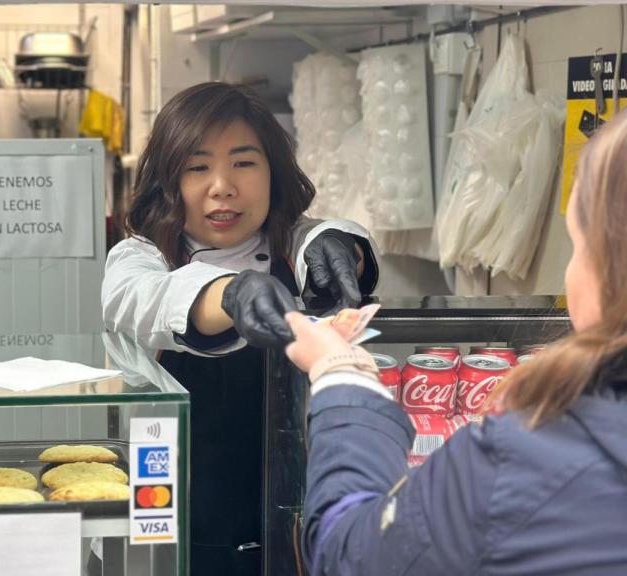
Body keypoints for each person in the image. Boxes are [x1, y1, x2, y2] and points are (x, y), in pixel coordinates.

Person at [291, 111, 627, 575]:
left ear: (610, 271)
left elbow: (351, 555)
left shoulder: (525, 461)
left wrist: (344, 377)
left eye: (579, 244)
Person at [102, 82, 378, 575]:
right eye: (198, 166)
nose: (223, 186)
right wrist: (231, 293)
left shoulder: (293, 246)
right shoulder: (138, 260)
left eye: (244, 163)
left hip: (292, 528)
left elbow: (321, 238)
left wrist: (339, 244)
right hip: (175, 522)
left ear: (274, 173)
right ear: (168, 180)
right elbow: (149, 300)